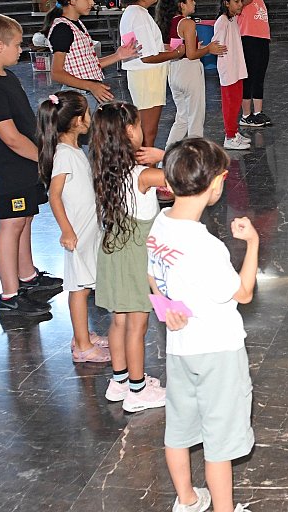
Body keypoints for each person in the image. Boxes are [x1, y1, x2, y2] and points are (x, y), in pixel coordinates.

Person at [148, 138, 259, 512]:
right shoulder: (206, 246)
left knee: (178, 429)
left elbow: (151, 275)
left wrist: (164, 307)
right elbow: (243, 292)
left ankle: (188, 500)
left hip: (180, 349)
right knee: (219, 442)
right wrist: (253, 243)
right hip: (218, 351)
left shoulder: (159, 225)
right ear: (215, 184)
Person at [0, 13, 63, 322]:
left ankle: (27, 276)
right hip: (7, 165)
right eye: (17, 44)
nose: (21, 49)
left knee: (24, 219)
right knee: (10, 225)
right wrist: (44, 159)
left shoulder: (5, 76)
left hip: (23, 162)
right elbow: (10, 137)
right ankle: (10, 296)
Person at [92, 101, 168, 413]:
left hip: (113, 252)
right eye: (137, 124)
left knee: (119, 321)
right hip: (136, 257)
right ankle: (137, 390)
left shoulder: (104, 170)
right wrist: (163, 156)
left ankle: (120, 380)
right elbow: (187, 175)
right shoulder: (143, 175)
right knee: (138, 325)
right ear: (128, 132)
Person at [37, 90, 110, 363]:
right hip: (78, 232)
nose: (90, 117)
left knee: (83, 286)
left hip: (87, 228)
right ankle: (82, 347)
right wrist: (67, 230)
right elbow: (54, 195)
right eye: (88, 113)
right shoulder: (64, 155)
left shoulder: (73, 150)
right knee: (79, 289)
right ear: (78, 121)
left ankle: (82, 335)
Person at [46, 0, 138, 105]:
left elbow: (88, 65)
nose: (92, 2)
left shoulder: (77, 24)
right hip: (78, 94)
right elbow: (57, 73)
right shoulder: (62, 29)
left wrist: (118, 55)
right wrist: (91, 86)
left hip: (87, 92)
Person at [120, 0, 183, 148]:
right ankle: (145, 163)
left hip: (143, 77)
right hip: (147, 78)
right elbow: (147, 57)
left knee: (145, 130)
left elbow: (145, 47)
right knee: (148, 131)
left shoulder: (133, 12)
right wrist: (176, 53)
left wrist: (164, 48)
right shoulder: (139, 15)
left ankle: (143, 162)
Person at [157, 0, 225, 145]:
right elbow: (192, 54)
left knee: (182, 117)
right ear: (181, 4)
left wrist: (196, 47)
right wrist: (208, 49)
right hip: (189, 71)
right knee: (195, 119)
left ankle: (168, 154)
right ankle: (196, 155)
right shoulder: (187, 23)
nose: (194, 3)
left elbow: (173, 47)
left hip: (174, 70)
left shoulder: (167, 22)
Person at [212, 0, 251, 151]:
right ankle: (229, 136)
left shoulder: (233, 19)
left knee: (236, 102)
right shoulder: (222, 21)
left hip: (237, 67)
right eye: (236, 1)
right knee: (230, 104)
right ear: (226, 3)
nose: (240, 4)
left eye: (241, 1)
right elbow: (216, 44)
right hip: (229, 69)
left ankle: (234, 132)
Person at [236, 0, 273, 128]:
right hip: (248, 40)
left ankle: (258, 112)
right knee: (248, 78)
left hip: (262, 40)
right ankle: (245, 115)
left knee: (259, 77)